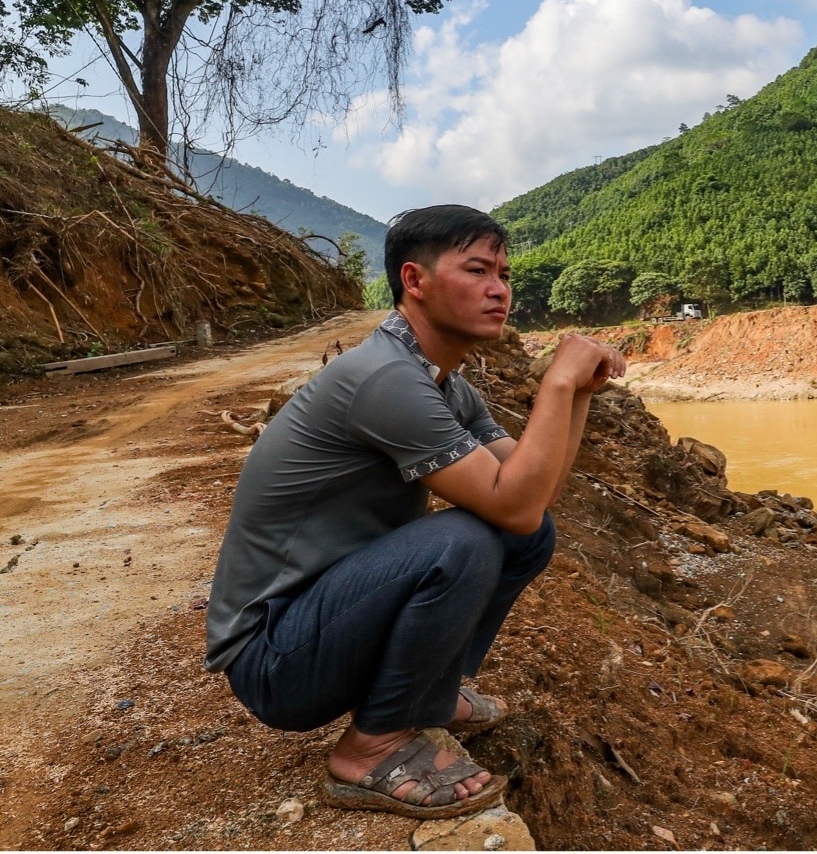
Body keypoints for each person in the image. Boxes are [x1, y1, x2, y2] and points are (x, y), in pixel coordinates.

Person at [204, 204, 625, 819]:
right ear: (415, 280)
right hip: (274, 659)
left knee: (527, 536)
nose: (499, 290)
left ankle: (429, 693)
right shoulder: (385, 380)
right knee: (464, 539)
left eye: (505, 275)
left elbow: (534, 497)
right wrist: (554, 388)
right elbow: (511, 503)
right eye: (478, 270)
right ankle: (373, 746)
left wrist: (578, 396)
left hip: (326, 621)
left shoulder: (445, 384)